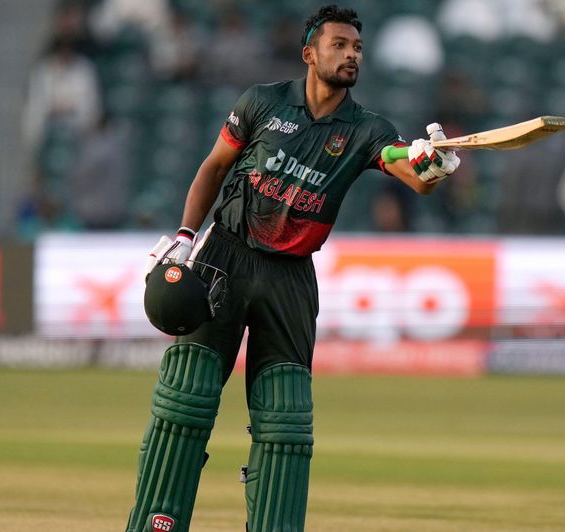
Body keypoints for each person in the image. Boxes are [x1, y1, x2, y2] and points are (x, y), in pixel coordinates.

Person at [125, 5, 460, 532]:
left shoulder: (368, 129)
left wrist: (433, 163)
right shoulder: (262, 102)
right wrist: (186, 237)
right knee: (186, 398)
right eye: (339, 45)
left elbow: (412, 172)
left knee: (284, 420)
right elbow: (214, 166)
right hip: (224, 258)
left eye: (357, 48)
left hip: (291, 277)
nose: (351, 55)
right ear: (309, 53)